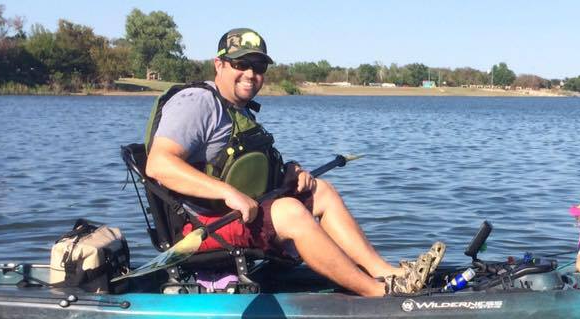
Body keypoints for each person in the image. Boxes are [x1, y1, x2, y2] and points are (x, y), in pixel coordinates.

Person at [145, 28, 443, 296]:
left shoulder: (239, 110)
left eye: (258, 66)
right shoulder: (198, 103)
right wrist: (229, 193)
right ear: (219, 64)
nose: (250, 73)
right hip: (203, 228)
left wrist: (288, 174)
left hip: (241, 215)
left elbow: (241, 169)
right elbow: (159, 164)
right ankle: (376, 293)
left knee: (319, 191)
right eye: (241, 64)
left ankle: (385, 272)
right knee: (290, 211)